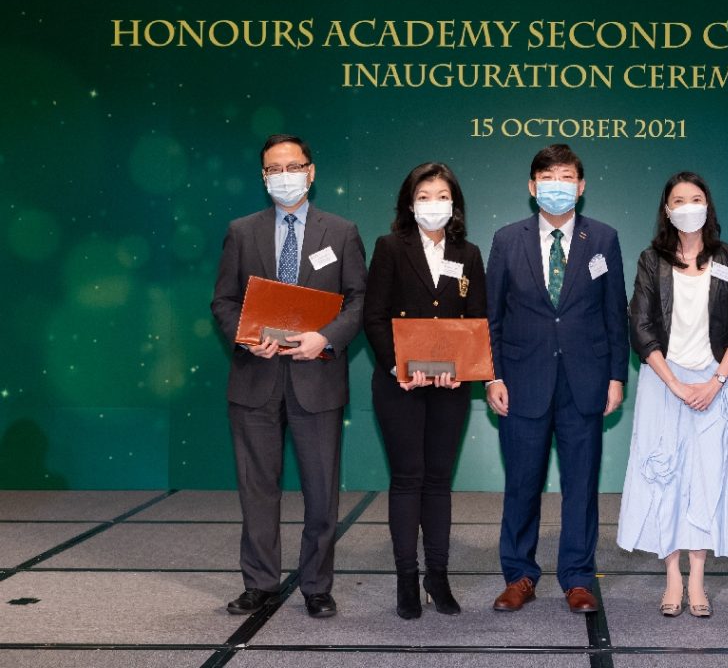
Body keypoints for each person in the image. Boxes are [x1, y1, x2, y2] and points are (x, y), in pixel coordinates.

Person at [211, 133, 367, 618]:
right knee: (258, 489)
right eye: (274, 169)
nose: (285, 176)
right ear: (263, 177)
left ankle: (317, 586)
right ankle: (259, 583)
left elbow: (358, 299)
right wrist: (244, 334)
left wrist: (326, 338)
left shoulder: (341, 231)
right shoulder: (241, 231)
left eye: (293, 166)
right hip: (254, 377)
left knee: (321, 491)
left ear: (311, 171)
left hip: (316, 378)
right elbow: (222, 300)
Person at [484, 143, 629, 614]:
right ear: (531, 187)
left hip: (584, 382)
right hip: (522, 381)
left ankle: (578, 577)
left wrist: (615, 377)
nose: (557, 186)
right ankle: (519, 575)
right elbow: (492, 318)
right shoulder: (507, 240)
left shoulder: (603, 240)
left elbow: (615, 315)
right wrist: (493, 377)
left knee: (581, 486)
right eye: (548, 178)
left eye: (567, 177)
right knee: (522, 484)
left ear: (581, 186)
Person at [618, 172, 728, 618]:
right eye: (679, 199)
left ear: (708, 206)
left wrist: (713, 383)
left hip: (716, 383)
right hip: (663, 383)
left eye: (697, 198)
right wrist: (674, 384)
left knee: (707, 480)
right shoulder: (650, 261)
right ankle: (671, 576)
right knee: (665, 480)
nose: (689, 206)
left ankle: (698, 580)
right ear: (667, 210)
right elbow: (641, 327)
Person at [362, 163, 486, 619]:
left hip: (451, 387)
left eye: (441, 195)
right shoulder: (390, 247)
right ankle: (407, 580)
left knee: (438, 480)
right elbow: (373, 317)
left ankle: (438, 575)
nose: (433, 204)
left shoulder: (469, 253)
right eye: (424, 195)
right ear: (409, 202)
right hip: (400, 384)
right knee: (407, 477)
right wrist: (397, 365)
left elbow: (476, 320)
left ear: (454, 203)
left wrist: (466, 370)